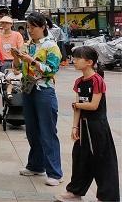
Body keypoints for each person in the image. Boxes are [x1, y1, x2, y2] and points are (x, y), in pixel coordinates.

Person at [56, 46, 119, 202]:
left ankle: (107, 197)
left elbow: (93, 105)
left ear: (89, 62)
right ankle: (75, 191)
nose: (74, 61)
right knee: (79, 158)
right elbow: (77, 107)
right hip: (83, 126)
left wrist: (77, 105)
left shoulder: (97, 80)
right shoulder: (79, 82)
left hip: (97, 126)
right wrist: (74, 126)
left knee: (102, 160)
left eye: (78, 58)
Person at [11, 12, 63, 186]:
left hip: (44, 90)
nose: (30, 30)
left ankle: (55, 173)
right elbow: (18, 68)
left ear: (43, 27)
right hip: (28, 89)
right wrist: (17, 57)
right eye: (28, 27)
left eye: (33, 27)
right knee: (32, 130)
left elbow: (51, 69)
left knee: (47, 131)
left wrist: (31, 61)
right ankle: (36, 165)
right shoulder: (27, 45)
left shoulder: (51, 46)